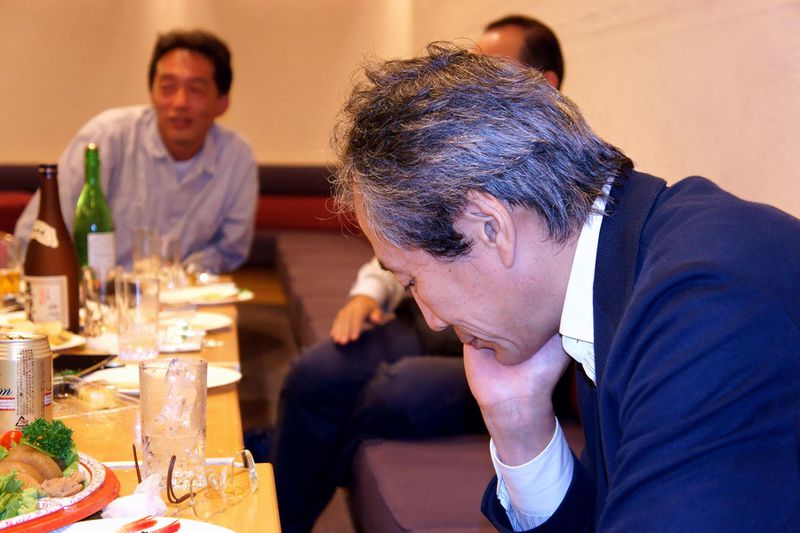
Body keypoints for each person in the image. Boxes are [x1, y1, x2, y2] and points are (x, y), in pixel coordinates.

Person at [331, 43, 800, 531]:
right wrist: (517, 421)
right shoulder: (621, 267)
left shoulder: (708, 313)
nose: (431, 319)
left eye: (411, 280)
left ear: (490, 227)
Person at [269, 16, 571, 533]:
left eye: (492, 73)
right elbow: (407, 241)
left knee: (395, 391)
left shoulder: (561, 178)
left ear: (543, 86)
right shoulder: (453, 155)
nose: (471, 88)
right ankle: (279, 513)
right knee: (319, 371)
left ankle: (280, 449)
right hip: (421, 313)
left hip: (499, 341)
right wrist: (371, 291)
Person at [15, 29, 257, 274]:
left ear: (222, 102)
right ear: (152, 93)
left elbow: (231, 248)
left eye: (196, 89)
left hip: (185, 294)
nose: (180, 102)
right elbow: (38, 233)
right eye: (168, 87)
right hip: (98, 292)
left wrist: (185, 274)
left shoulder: (236, 157)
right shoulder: (107, 138)